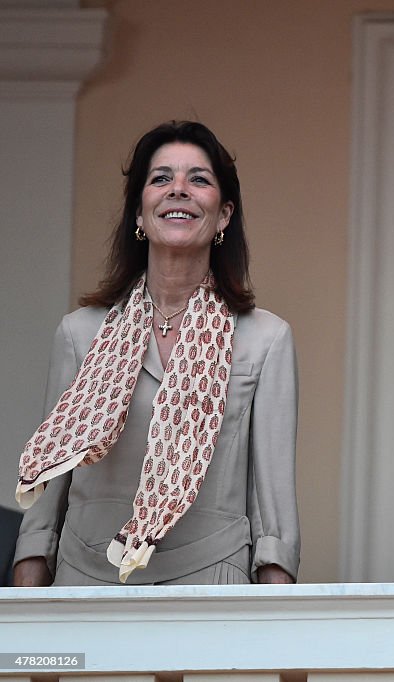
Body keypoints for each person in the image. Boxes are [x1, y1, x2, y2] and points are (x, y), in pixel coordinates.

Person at [13, 121, 300, 585]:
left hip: (211, 584)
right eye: (161, 178)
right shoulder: (78, 333)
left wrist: (276, 613)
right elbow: (47, 500)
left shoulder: (265, 340)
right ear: (139, 215)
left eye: (199, 179)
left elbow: (273, 509)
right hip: (85, 582)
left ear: (224, 216)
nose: (179, 190)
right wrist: (28, 610)